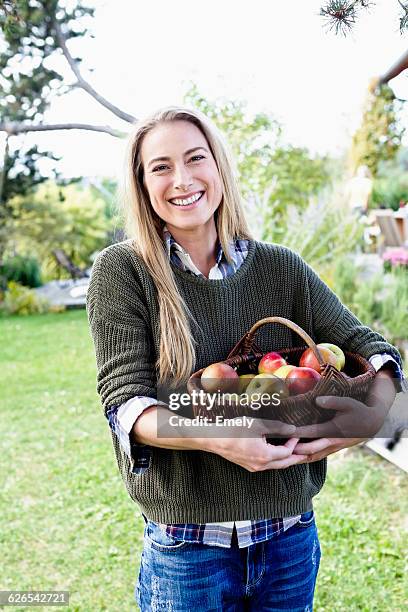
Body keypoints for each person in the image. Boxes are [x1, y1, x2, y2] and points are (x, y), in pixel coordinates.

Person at [86, 106, 404, 611]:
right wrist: (220, 440)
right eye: (161, 166)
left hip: (289, 543)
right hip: (189, 551)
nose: (183, 179)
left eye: (196, 158)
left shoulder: (281, 268)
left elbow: (374, 349)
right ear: (143, 183)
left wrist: (368, 418)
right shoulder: (122, 272)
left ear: (219, 167)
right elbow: (125, 402)